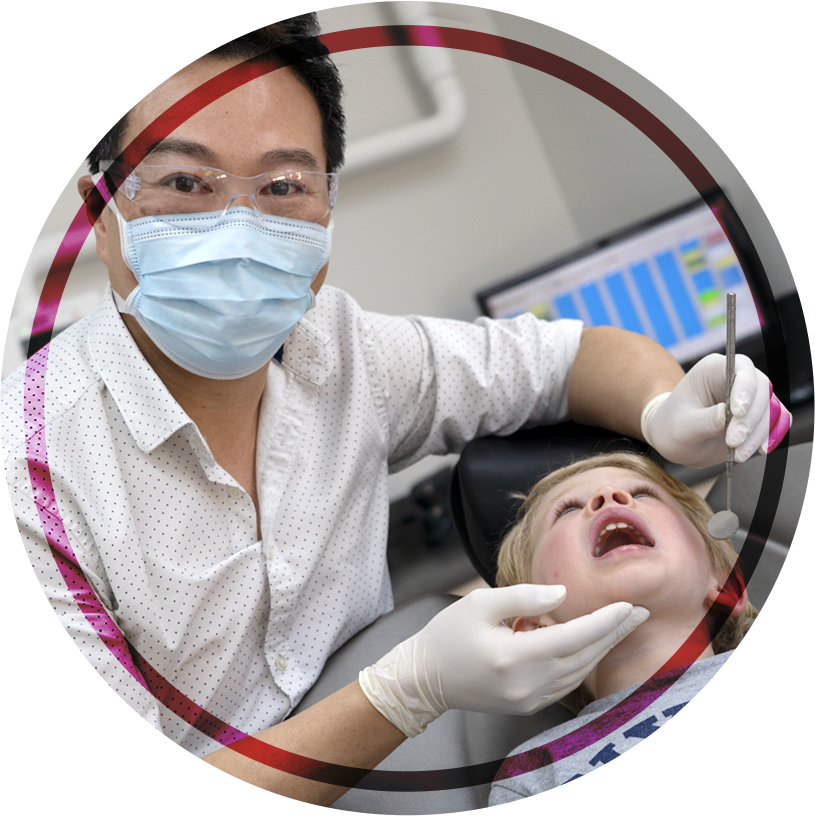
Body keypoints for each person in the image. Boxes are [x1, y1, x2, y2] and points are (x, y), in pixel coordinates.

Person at [1, 1, 791, 809]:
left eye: (281, 185)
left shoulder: (338, 349)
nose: (235, 228)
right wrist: (402, 690)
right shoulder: (24, 478)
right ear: (101, 217)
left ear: (326, 209)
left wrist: (663, 407)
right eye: (184, 182)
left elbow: (571, 359)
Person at [487, 452, 813, 815]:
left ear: (726, 589)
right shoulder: (536, 775)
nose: (609, 495)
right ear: (536, 630)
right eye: (566, 510)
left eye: (642, 493)